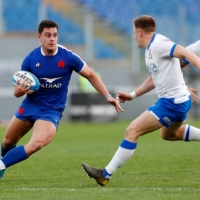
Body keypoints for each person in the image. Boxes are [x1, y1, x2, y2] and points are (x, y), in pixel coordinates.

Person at [82, 15, 200, 186]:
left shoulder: (159, 44)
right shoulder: (150, 50)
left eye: (133, 32)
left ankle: (105, 174)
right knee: (169, 134)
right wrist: (132, 95)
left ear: (139, 32)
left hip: (172, 103)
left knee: (132, 131)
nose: (133, 36)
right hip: (179, 100)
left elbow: (186, 53)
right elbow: (154, 77)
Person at [0, 20, 124, 178]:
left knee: (36, 143)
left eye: (55, 35)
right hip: (31, 104)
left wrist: (107, 96)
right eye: (48, 35)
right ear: (39, 37)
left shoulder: (68, 57)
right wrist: (18, 91)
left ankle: (1, 164)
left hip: (51, 110)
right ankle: (2, 165)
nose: (52, 39)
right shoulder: (30, 59)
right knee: (8, 142)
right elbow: (17, 92)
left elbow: (91, 75)